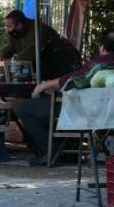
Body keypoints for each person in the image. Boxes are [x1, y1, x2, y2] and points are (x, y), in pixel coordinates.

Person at [17, 31, 114, 166]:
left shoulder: (99, 64)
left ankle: (51, 149)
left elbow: (73, 79)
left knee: (24, 108)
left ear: (102, 47)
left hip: (84, 111)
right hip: (107, 113)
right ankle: (62, 150)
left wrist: (43, 85)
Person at [0, 10, 81, 81]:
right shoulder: (15, 33)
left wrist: (13, 60)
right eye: (6, 26)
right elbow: (10, 47)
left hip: (62, 62)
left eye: (9, 26)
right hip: (47, 64)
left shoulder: (37, 29)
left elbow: (33, 50)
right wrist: (1, 60)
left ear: (19, 25)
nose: (8, 29)